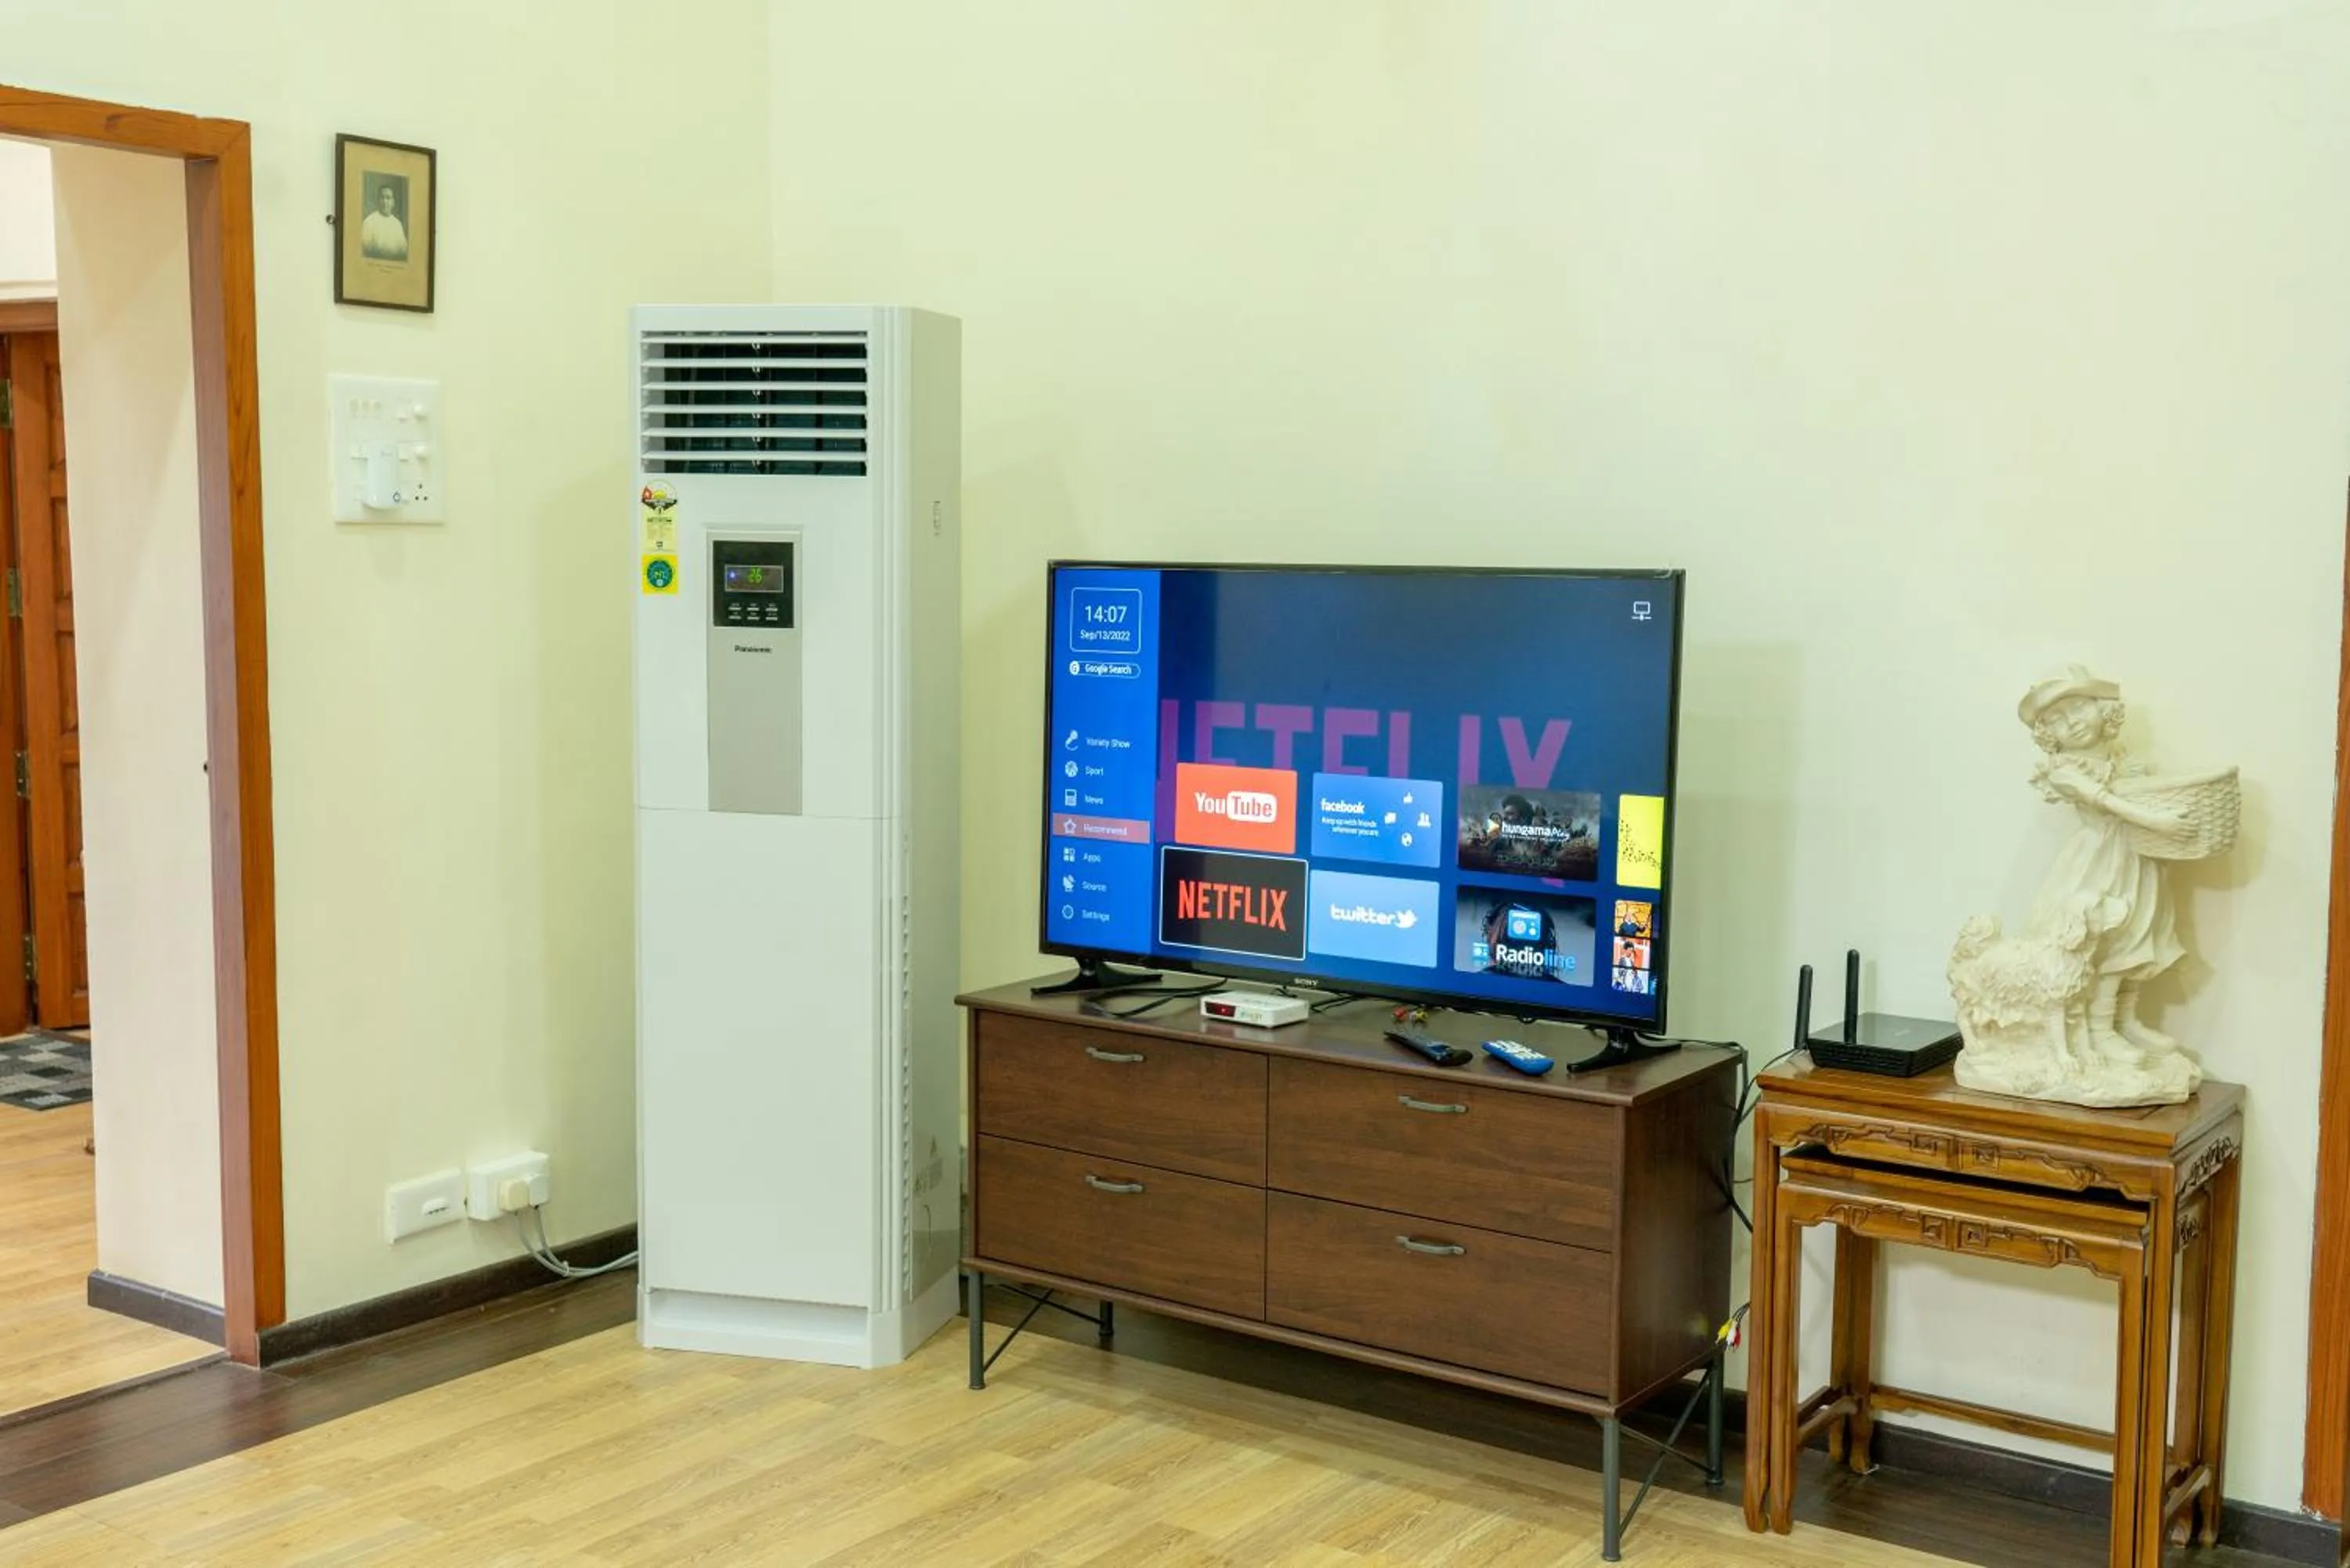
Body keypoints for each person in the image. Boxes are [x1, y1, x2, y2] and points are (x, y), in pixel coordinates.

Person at [360, 182, 408, 262]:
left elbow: (403, 250)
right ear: (378, 201)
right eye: (382, 198)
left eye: (388, 198)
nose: (385, 202)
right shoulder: (369, 221)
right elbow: (364, 250)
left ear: (393, 202)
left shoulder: (397, 224)